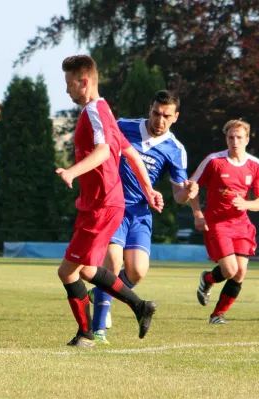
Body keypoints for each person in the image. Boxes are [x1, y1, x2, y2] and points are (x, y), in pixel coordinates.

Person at [56, 55, 163, 347]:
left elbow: (104, 151)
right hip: (100, 204)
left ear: (84, 82)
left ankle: (86, 334)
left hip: (101, 205)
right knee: (88, 270)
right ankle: (141, 306)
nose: (66, 90)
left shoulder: (94, 111)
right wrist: (149, 189)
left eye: (69, 84)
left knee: (67, 272)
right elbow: (129, 153)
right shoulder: (105, 112)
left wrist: (72, 171)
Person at [89, 90, 198, 344]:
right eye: (156, 113)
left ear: (175, 117)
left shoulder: (175, 150)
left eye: (166, 116)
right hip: (113, 206)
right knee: (112, 264)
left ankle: (100, 290)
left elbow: (179, 196)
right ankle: (98, 332)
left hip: (140, 212)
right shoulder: (124, 126)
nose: (160, 120)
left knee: (137, 272)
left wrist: (188, 191)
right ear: (150, 109)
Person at [190, 119, 259, 325]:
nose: (235, 142)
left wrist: (246, 204)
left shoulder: (256, 166)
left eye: (239, 137)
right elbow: (191, 187)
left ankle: (217, 315)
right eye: (231, 137)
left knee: (240, 272)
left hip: (242, 224)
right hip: (218, 223)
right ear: (226, 138)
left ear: (247, 139)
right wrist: (198, 214)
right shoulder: (214, 161)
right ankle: (207, 280)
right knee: (230, 270)